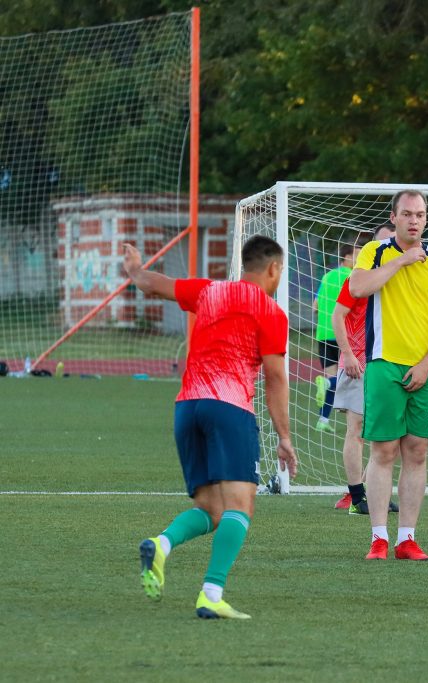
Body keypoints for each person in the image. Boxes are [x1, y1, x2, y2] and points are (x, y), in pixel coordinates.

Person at [125, 236, 297, 620]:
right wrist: (284, 437)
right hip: (228, 407)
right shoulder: (270, 312)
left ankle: (162, 544)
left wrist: (135, 270)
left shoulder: (210, 290)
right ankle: (211, 593)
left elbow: (155, 284)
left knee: (211, 508)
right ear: (272, 269)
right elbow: (275, 377)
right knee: (240, 506)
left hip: (187, 408)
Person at [348, 190, 428, 561]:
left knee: (417, 452)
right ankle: (378, 538)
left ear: (426, 218)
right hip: (384, 363)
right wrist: (401, 262)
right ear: (395, 216)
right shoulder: (376, 252)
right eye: (407, 214)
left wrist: (425, 364)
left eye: (420, 214)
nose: (414, 220)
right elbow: (357, 288)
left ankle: (407, 539)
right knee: (383, 451)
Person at [331, 223, 400, 515]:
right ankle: (356, 496)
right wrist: (346, 354)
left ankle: (372, 491)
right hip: (359, 362)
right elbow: (337, 316)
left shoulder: (401, 278)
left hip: (390, 362)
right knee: (356, 429)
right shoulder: (355, 280)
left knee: (388, 436)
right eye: (381, 242)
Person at [312, 239, 361, 432]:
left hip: (323, 334)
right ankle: (327, 383)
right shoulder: (354, 277)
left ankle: (323, 421)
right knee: (345, 378)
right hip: (343, 334)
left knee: (332, 378)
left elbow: (314, 307)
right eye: (357, 255)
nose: (359, 259)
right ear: (348, 256)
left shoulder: (327, 277)